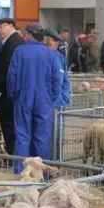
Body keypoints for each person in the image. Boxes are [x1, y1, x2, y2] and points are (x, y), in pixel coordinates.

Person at [7, 23, 62, 172]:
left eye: (25, 33)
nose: (23, 36)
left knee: (23, 135)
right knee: (42, 137)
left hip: (23, 97)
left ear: (31, 34)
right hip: (44, 99)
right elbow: (56, 78)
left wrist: (13, 95)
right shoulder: (50, 53)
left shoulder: (20, 51)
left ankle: (20, 172)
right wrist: (52, 97)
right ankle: (40, 173)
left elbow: (12, 76)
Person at [0, 17, 23, 154]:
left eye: (2, 26)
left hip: (8, 94)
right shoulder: (10, 42)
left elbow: (8, 68)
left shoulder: (13, 43)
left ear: (11, 26)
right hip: (8, 92)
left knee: (9, 125)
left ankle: (13, 156)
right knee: (9, 125)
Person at [44, 28, 71, 110]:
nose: (56, 44)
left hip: (59, 103)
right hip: (46, 104)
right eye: (53, 41)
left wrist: (64, 97)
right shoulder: (42, 56)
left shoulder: (60, 57)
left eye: (57, 41)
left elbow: (66, 80)